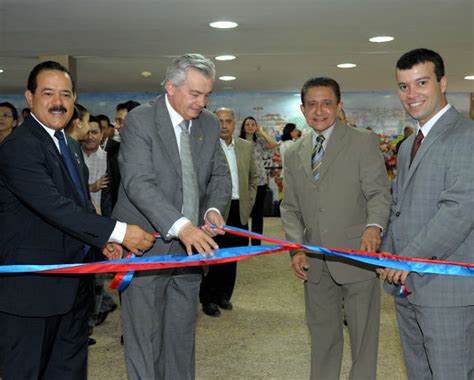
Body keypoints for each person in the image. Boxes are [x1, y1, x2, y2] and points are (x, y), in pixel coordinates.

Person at [0, 60, 154, 379]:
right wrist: (120, 231)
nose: (58, 102)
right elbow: (53, 207)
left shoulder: (69, 145)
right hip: (30, 294)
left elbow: (80, 206)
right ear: (29, 98)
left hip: (74, 287)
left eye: (66, 94)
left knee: (69, 370)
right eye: (48, 93)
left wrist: (103, 242)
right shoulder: (18, 147)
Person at [112, 54, 231, 380]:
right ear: (170, 87)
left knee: (181, 335)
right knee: (145, 337)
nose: (202, 102)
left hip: (190, 251)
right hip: (146, 247)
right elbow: (138, 182)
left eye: (207, 94)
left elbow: (219, 174)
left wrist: (213, 210)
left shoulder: (207, 123)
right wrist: (182, 226)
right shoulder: (141, 120)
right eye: (195, 94)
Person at [280, 77, 391, 380]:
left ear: (339, 106)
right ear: (302, 109)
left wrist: (373, 227)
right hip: (314, 260)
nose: (320, 110)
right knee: (322, 336)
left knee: (363, 337)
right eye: (312, 104)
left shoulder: (362, 141)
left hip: (357, 254)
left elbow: (379, 193)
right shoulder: (292, 153)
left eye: (327, 102)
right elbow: (289, 207)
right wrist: (296, 249)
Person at [378, 48, 474, 379]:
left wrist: (406, 259)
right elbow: (400, 207)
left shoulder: (467, 136)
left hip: (446, 290)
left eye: (421, 83)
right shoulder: (407, 146)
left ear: (443, 82)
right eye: (403, 86)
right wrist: (387, 255)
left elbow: (459, 211)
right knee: (419, 371)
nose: (411, 94)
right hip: (408, 284)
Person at [200, 107, 257, 317]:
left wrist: (248, 203)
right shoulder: (205, 146)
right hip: (215, 212)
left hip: (238, 209)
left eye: (228, 121)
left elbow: (253, 179)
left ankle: (224, 296)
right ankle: (208, 299)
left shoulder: (245, 146)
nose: (224, 125)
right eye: (220, 121)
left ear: (235, 123)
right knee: (212, 256)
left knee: (233, 256)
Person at [239, 116, 277, 245]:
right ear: (243, 127)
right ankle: (243, 242)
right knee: (243, 212)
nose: (250, 126)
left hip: (260, 181)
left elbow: (273, 144)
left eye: (253, 124)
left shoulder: (259, 141)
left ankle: (256, 243)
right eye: (247, 124)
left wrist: (261, 132)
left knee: (257, 213)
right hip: (243, 181)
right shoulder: (238, 141)